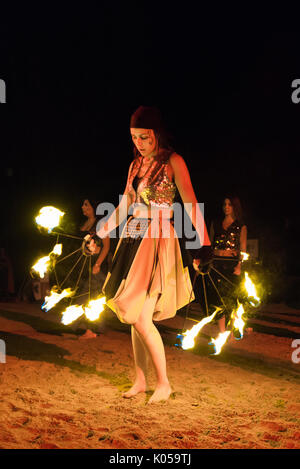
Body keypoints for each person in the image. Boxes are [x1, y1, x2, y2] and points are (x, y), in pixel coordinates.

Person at [97, 106, 212, 403]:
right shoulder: (135, 166)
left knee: (141, 316)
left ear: (156, 134)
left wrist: (204, 244)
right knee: (134, 316)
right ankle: (140, 380)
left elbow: (189, 202)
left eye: (144, 137)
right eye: (134, 137)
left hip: (158, 240)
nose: (139, 143)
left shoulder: (174, 161)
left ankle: (163, 383)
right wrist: (100, 231)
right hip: (133, 238)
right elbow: (125, 205)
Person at [72, 198, 111, 339]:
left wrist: (98, 264)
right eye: (83, 204)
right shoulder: (84, 224)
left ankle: (92, 330)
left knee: (91, 296)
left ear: (94, 207)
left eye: (86, 205)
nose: (83, 207)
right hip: (85, 264)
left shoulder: (100, 223)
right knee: (82, 294)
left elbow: (106, 246)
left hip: (96, 265)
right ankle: (88, 328)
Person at [210, 196, 247, 333]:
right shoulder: (216, 223)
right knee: (218, 298)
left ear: (234, 207)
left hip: (231, 265)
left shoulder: (240, 226)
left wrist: (239, 266)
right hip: (216, 264)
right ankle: (221, 332)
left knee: (231, 298)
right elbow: (210, 244)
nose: (226, 207)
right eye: (224, 204)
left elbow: (243, 249)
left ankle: (233, 327)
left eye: (229, 204)